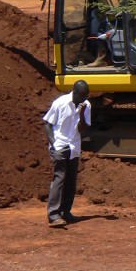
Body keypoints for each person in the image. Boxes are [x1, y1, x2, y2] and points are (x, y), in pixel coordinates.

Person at [43, 80, 91, 227]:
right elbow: (47, 123)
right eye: (82, 95)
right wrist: (54, 145)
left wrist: (82, 114)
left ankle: (65, 212)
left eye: (86, 96)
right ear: (74, 92)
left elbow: (82, 130)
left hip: (74, 146)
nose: (84, 99)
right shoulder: (61, 103)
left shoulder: (87, 106)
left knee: (71, 180)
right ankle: (53, 214)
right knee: (60, 177)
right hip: (60, 145)